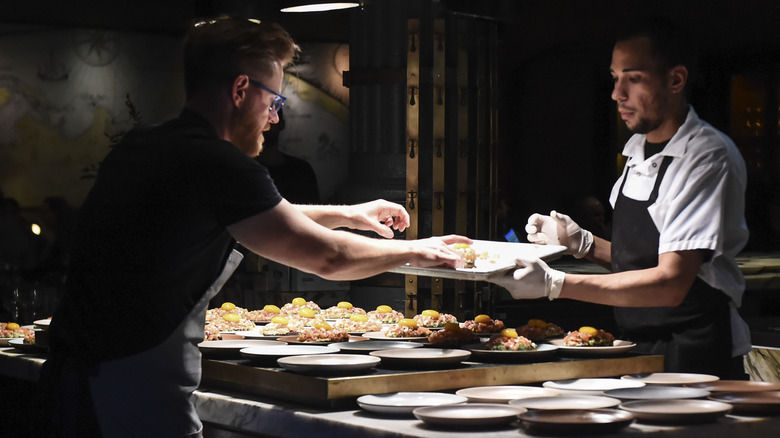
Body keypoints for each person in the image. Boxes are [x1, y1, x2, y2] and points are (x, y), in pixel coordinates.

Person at [43, 17, 470, 437]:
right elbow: (329, 257)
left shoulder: (152, 145)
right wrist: (419, 250)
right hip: (127, 384)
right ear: (241, 90)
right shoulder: (219, 162)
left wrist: (349, 214)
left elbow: (262, 215)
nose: (275, 120)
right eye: (275, 102)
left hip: (80, 373)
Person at [491, 17, 750, 380]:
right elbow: (642, 262)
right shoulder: (637, 154)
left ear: (676, 80)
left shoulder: (706, 156)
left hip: (697, 354)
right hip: (637, 348)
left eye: (634, 78)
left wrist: (556, 285)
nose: (617, 94)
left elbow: (671, 283)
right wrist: (581, 243)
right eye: (615, 78)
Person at [256, 107, 321, 204]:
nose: (265, 126)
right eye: (260, 119)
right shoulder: (241, 171)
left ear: (281, 124)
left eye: (270, 119)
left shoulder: (301, 172)